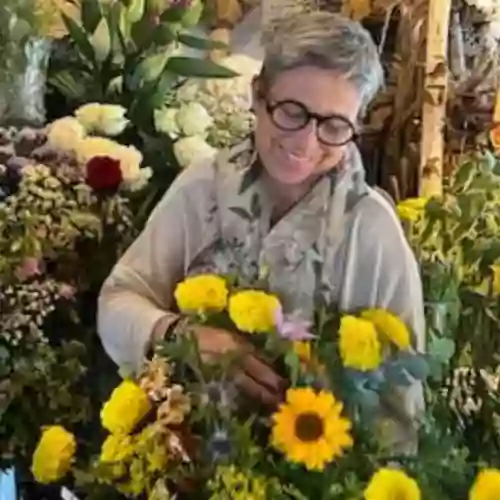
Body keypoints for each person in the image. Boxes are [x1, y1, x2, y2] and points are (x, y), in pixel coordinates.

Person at [98, 11, 425, 454]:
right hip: (186, 461)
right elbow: (117, 301)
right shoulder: (203, 188)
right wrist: (182, 335)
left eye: (333, 125)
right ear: (258, 96)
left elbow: (402, 406)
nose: (306, 144)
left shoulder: (370, 229)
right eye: (292, 112)